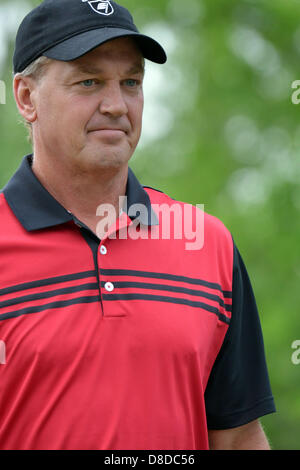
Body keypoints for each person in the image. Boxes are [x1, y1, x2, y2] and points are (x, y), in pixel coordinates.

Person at [0, 0, 275, 450]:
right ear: (27, 97)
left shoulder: (207, 244)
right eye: (88, 81)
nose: (116, 105)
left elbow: (239, 436)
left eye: (131, 82)